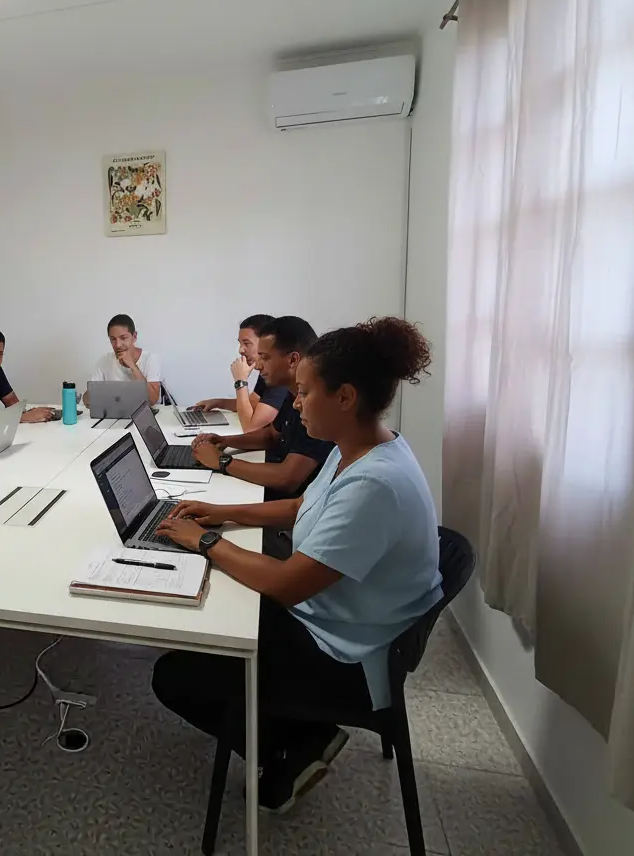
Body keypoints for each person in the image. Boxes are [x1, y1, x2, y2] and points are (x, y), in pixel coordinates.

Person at [150, 317, 442, 814]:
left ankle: (296, 745)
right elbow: (304, 505)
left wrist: (206, 541)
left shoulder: (375, 484)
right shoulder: (362, 447)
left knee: (175, 674)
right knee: (206, 615)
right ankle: (300, 735)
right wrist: (223, 513)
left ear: (345, 397)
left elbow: (287, 585)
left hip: (344, 654)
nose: (296, 402)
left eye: (305, 392)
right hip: (341, 618)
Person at [190, 317, 333, 509]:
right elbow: (271, 435)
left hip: (288, 505)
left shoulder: (316, 406)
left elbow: (287, 478)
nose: (257, 366)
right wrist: (225, 441)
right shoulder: (292, 395)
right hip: (275, 492)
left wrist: (222, 462)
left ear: (292, 360)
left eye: (265, 358)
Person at [191, 314, 288, 433]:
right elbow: (252, 403)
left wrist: (240, 382)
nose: (240, 350)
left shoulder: (280, 378)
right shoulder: (266, 371)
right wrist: (218, 403)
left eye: (247, 344)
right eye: (240, 343)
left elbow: (250, 430)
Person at [82, 313, 162, 407]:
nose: (117, 345)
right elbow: (86, 401)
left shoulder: (150, 359)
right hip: (113, 413)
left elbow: (153, 400)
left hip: (143, 414)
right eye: (113, 339)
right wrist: (93, 395)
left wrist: (133, 366)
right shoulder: (104, 360)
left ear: (134, 336)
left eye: (123, 338)